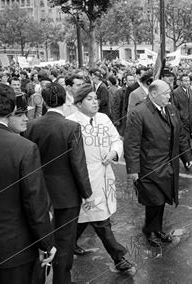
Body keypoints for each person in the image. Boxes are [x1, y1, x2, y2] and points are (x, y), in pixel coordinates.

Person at [24, 82, 93, 284]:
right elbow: (78, 163)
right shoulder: (71, 127)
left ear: (44, 101)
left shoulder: (31, 126)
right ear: (66, 99)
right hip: (67, 194)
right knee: (65, 243)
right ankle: (62, 280)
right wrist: (87, 193)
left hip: (39, 193)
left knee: (40, 241)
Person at [67, 84, 134, 272]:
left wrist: (114, 152)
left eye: (96, 98)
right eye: (89, 99)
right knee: (100, 219)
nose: (95, 102)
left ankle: (67, 242)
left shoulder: (103, 118)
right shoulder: (70, 123)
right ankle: (119, 257)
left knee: (87, 216)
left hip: (104, 176)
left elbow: (116, 139)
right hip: (84, 179)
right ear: (79, 104)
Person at [0, 83, 56, 284]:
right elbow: (35, 203)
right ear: (12, 109)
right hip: (15, 249)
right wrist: (46, 243)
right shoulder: (23, 148)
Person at [124, 80, 192, 246]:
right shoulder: (138, 113)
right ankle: (149, 230)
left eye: (169, 93)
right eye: (166, 93)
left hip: (168, 165)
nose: (169, 96)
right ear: (153, 93)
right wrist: (133, 170)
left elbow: (180, 134)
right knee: (154, 200)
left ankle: (157, 229)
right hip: (149, 167)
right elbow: (131, 144)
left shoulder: (170, 109)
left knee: (162, 199)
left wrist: (188, 157)